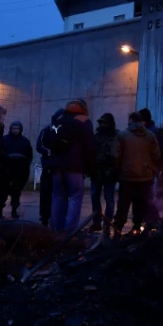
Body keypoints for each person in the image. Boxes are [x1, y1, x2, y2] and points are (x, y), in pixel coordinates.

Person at [48, 99, 96, 233]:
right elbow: (89, 146)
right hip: (74, 166)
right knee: (75, 196)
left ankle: (56, 228)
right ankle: (71, 231)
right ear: (83, 108)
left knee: (58, 196)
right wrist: (90, 167)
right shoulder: (83, 121)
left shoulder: (58, 119)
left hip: (57, 165)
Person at [112, 112, 161, 238]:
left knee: (123, 205)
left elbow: (115, 155)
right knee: (140, 205)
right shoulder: (150, 135)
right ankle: (137, 229)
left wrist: (119, 169)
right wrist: (151, 168)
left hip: (127, 177)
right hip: (145, 177)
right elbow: (157, 154)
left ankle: (117, 233)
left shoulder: (122, 135)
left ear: (131, 120)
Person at [0, 121, 33, 219]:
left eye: (17, 129)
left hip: (19, 171)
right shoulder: (4, 140)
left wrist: (25, 165)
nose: (15, 130)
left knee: (16, 192)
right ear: (10, 129)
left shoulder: (25, 141)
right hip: (5, 170)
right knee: (3, 192)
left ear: (20, 129)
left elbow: (29, 155)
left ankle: (14, 211)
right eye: (13, 128)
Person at [89, 113, 119, 234]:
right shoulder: (97, 136)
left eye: (104, 122)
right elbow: (91, 153)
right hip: (97, 172)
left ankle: (107, 224)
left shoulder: (117, 135)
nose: (102, 125)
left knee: (109, 199)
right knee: (94, 197)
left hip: (109, 173)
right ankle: (97, 223)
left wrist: (113, 169)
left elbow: (118, 155)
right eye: (101, 123)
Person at [36, 109, 64, 227]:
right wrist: (48, 153)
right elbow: (39, 145)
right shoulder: (47, 130)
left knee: (59, 194)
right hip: (48, 167)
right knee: (46, 192)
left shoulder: (65, 131)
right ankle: (44, 217)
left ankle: (56, 217)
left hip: (60, 167)